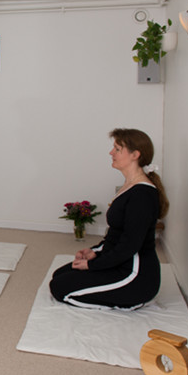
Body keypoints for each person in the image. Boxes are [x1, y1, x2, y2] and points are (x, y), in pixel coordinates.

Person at [49, 129, 169, 309]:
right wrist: (94, 252)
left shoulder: (142, 195)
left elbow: (129, 246)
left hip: (135, 276)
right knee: (60, 274)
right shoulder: (129, 186)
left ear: (135, 155)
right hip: (120, 262)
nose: (111, 153)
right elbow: (116, 235)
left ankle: (130, 303)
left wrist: (92, 265)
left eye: (117, 149)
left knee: (59, 287)